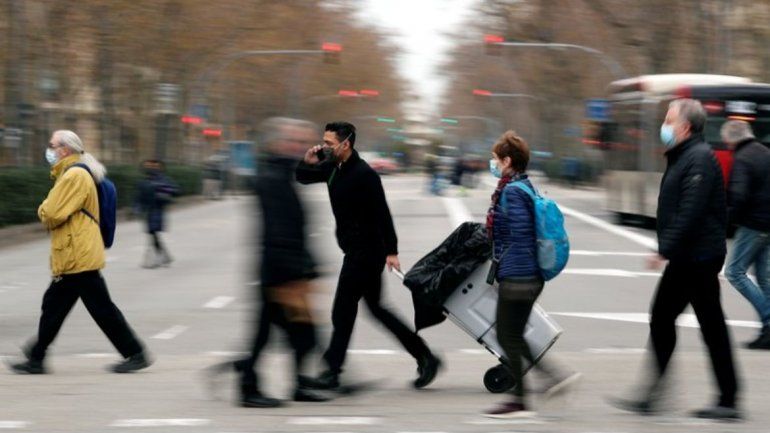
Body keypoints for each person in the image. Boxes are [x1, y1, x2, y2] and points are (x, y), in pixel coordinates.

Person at [611, 99, 741, 420]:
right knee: (686, 321)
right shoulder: (685, 156)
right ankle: (674, 394)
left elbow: (691, 211)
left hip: (696, 257)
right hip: (691, 256)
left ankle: (722, 399)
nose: (664, 126)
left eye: (669, 120)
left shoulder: (697, 159)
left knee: (682, 320)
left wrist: (663, 249)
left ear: (684, 127)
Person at [296, 121, 441, 390]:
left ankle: (332, 371)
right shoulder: (332, 168)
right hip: (354, 250)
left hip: (366, 253)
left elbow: (382, 213)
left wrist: (392, 250)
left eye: (329, 143)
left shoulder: (364, 174)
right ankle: (425, 356)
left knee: (342, 310)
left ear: (345, 143)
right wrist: (307, 161)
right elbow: (303, 177)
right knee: (377, 309)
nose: (324, 146)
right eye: (324, 142)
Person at [6, 130, 151, 374]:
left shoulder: (73, 175)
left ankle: (135, 353)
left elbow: (51, 213)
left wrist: (42, 208)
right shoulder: (71, 173)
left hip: (78, 254)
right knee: (54, 306)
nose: (49, 150)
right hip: (74, 253)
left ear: (65, 149)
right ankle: (37, 357)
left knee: (99, 308)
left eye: (52, 145)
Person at [208, 118, 328, 407]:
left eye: (303, 142)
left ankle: (260, 379)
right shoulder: (272, 178)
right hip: (281, 271)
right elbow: (279, 230)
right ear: (276, 143)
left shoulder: (282, 173)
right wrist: (298, 270)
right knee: (297, 333)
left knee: (287, 333)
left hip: (283, 268)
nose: (300, 147)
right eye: (294, 141)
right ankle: (252, 385)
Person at [483, 131, 580, 418]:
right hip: (528, 276)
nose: (495, 165)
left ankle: (523, 397)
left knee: (506, 334)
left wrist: (508, 271)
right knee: (514, 335)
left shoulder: (512, 191)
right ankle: (550, 381)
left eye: (496, 160)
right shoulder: (524, 185)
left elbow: (520, 235)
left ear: (508, 160)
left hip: (520, 276)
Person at [722, 120, 770, 349]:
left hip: (754, 224)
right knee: (763, 277)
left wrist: (725, 221)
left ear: (732, 139)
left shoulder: (742, 158)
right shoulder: (764, 152)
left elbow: (739, 196)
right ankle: (767, 333)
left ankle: (769, 321)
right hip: (768, 224)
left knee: (734, 272)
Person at [134, 159, 178, 268]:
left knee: (153, 234)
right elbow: (139, 197)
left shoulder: (163, 180)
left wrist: (164, 193)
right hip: (148, 211)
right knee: (153, 234)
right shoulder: (144, 182)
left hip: (157, 210)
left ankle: (158, 259)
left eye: (154, 166)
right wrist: (137, 208)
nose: (151, 168)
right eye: (149, 166)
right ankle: (165, 257)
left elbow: (175, 191)